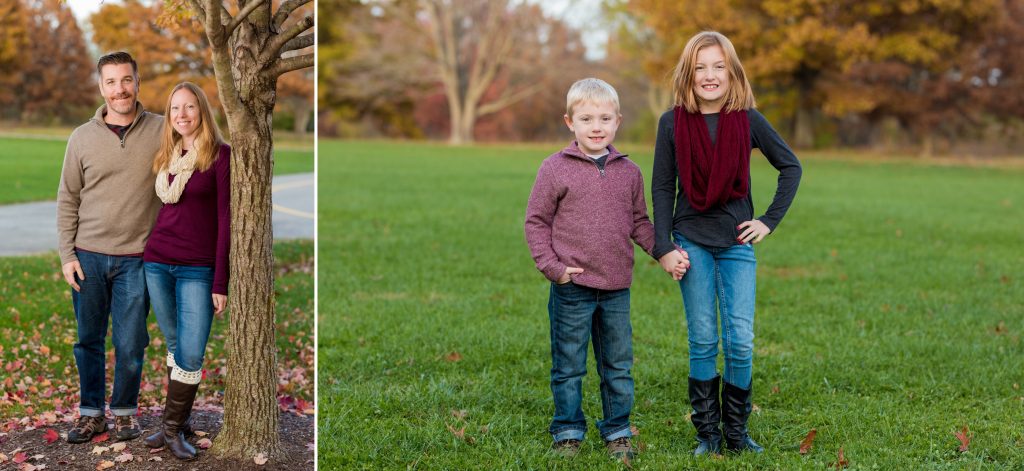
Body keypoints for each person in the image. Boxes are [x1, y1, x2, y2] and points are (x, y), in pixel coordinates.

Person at [651, 31, 802, 456]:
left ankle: (736, 435)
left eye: (718, 66)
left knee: (740, 339)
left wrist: (768, 221)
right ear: (688, 73)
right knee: (702, 339)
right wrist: (664, 246)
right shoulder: (671, 122)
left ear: (732, 72)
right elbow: (663, 187)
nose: (709, 75)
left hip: (736, 241)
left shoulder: (748, 119)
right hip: (690, 239)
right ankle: (708, 436)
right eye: (700, 67)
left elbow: (791, 167)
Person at [525, 78, 688, 460]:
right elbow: (536, 222)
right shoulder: (555, 169)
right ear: (570, 122)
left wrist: (664, 251)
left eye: (604, 118)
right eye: (586, 119)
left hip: (616, 288)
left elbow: (639, 222)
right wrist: (554, 269)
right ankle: (567, 430)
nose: (595, 127)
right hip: (572, 286)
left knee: (617, 365)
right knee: (568, 365)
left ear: (618, 121)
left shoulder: (628, 171)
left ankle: (617, 430)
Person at [57, 51, 163, 444]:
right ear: (101, 87)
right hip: (87, 257)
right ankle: (90, 414)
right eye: (111, 82)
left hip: (137, 259)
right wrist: (67, 255)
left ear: (137, 82)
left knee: (131, 341)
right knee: (89, 339)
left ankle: (123, 413)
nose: (120, 89)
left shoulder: (161, 130)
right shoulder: (81, 137)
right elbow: (68, 197)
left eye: (126, 80)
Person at [139, 82, 230, 460]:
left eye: (189, 107)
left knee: (190, 352)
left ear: (202, 111)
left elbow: (226, 221)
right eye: (175, 108)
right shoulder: (167, 154)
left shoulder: (220, 156)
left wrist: (220, 280)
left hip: (198, 268)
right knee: (176, 348)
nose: (182, 114)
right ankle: (181, 423)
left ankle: (172, 429)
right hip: (157, 262)